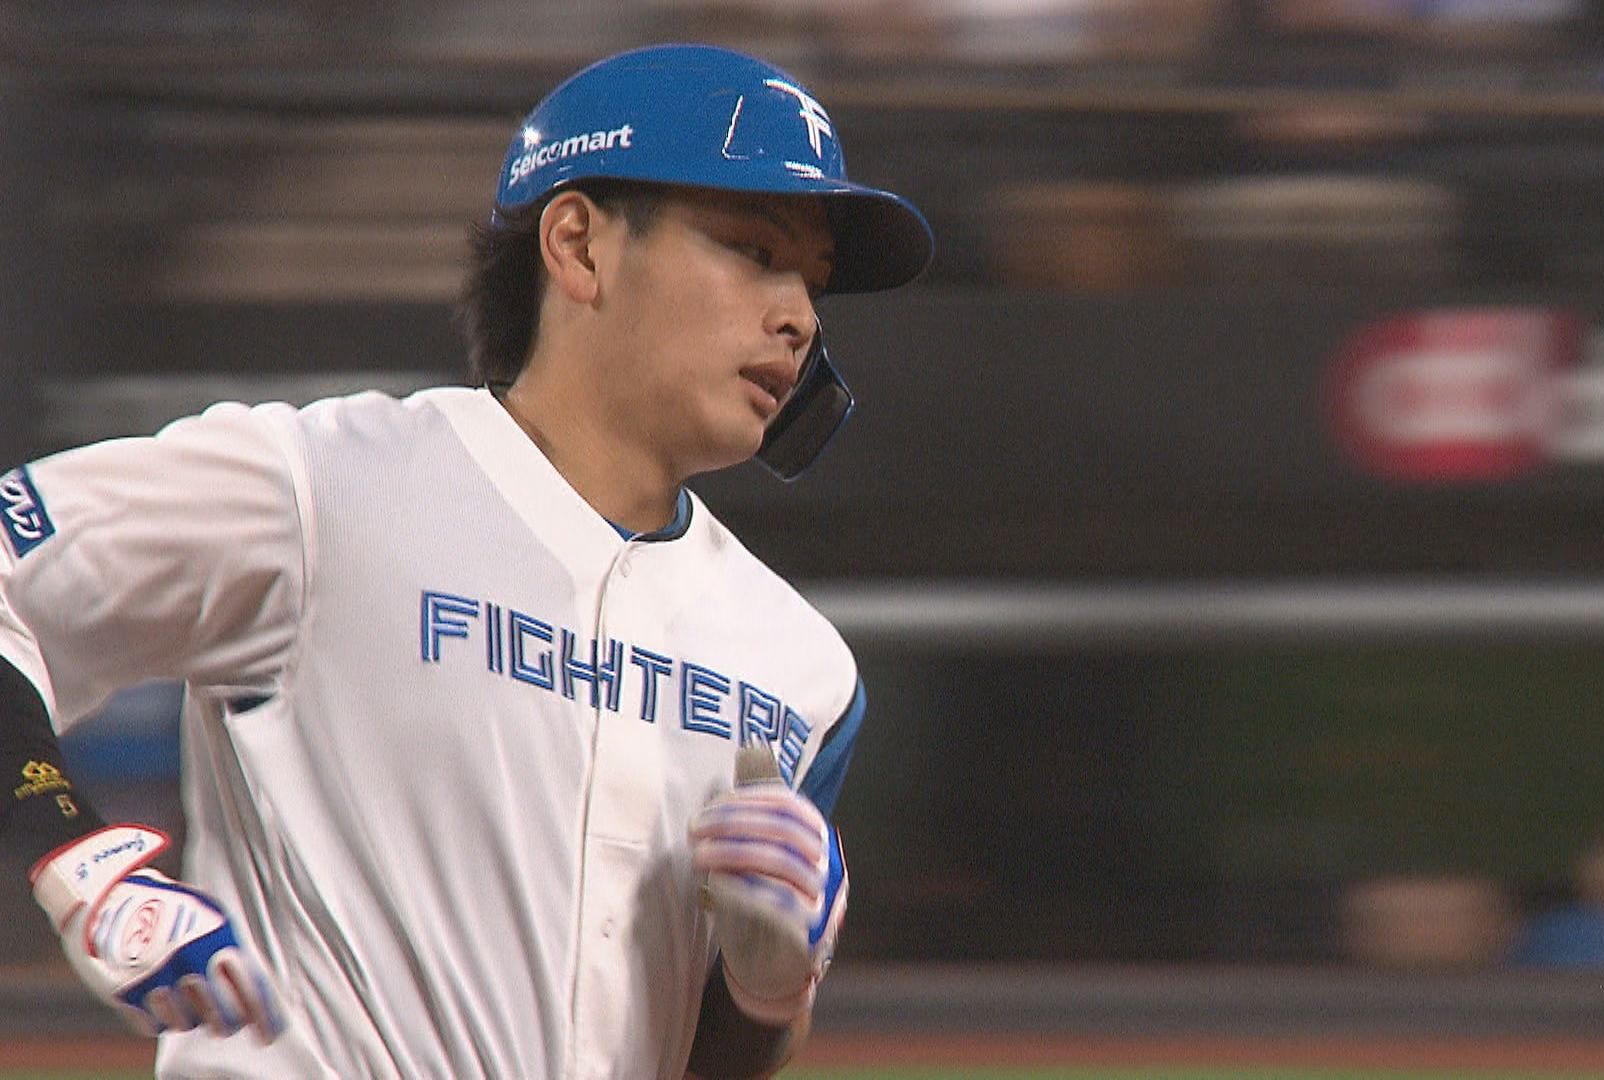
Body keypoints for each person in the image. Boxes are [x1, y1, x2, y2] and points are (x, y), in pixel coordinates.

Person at [0, 42, 933, 1079]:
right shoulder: (324, 485)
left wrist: (765, 997)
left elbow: (702, 1058)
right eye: (755, 250)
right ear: (578, 245)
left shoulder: (803, 670)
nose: (798, 316)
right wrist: (80, 863)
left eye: (812, 280)